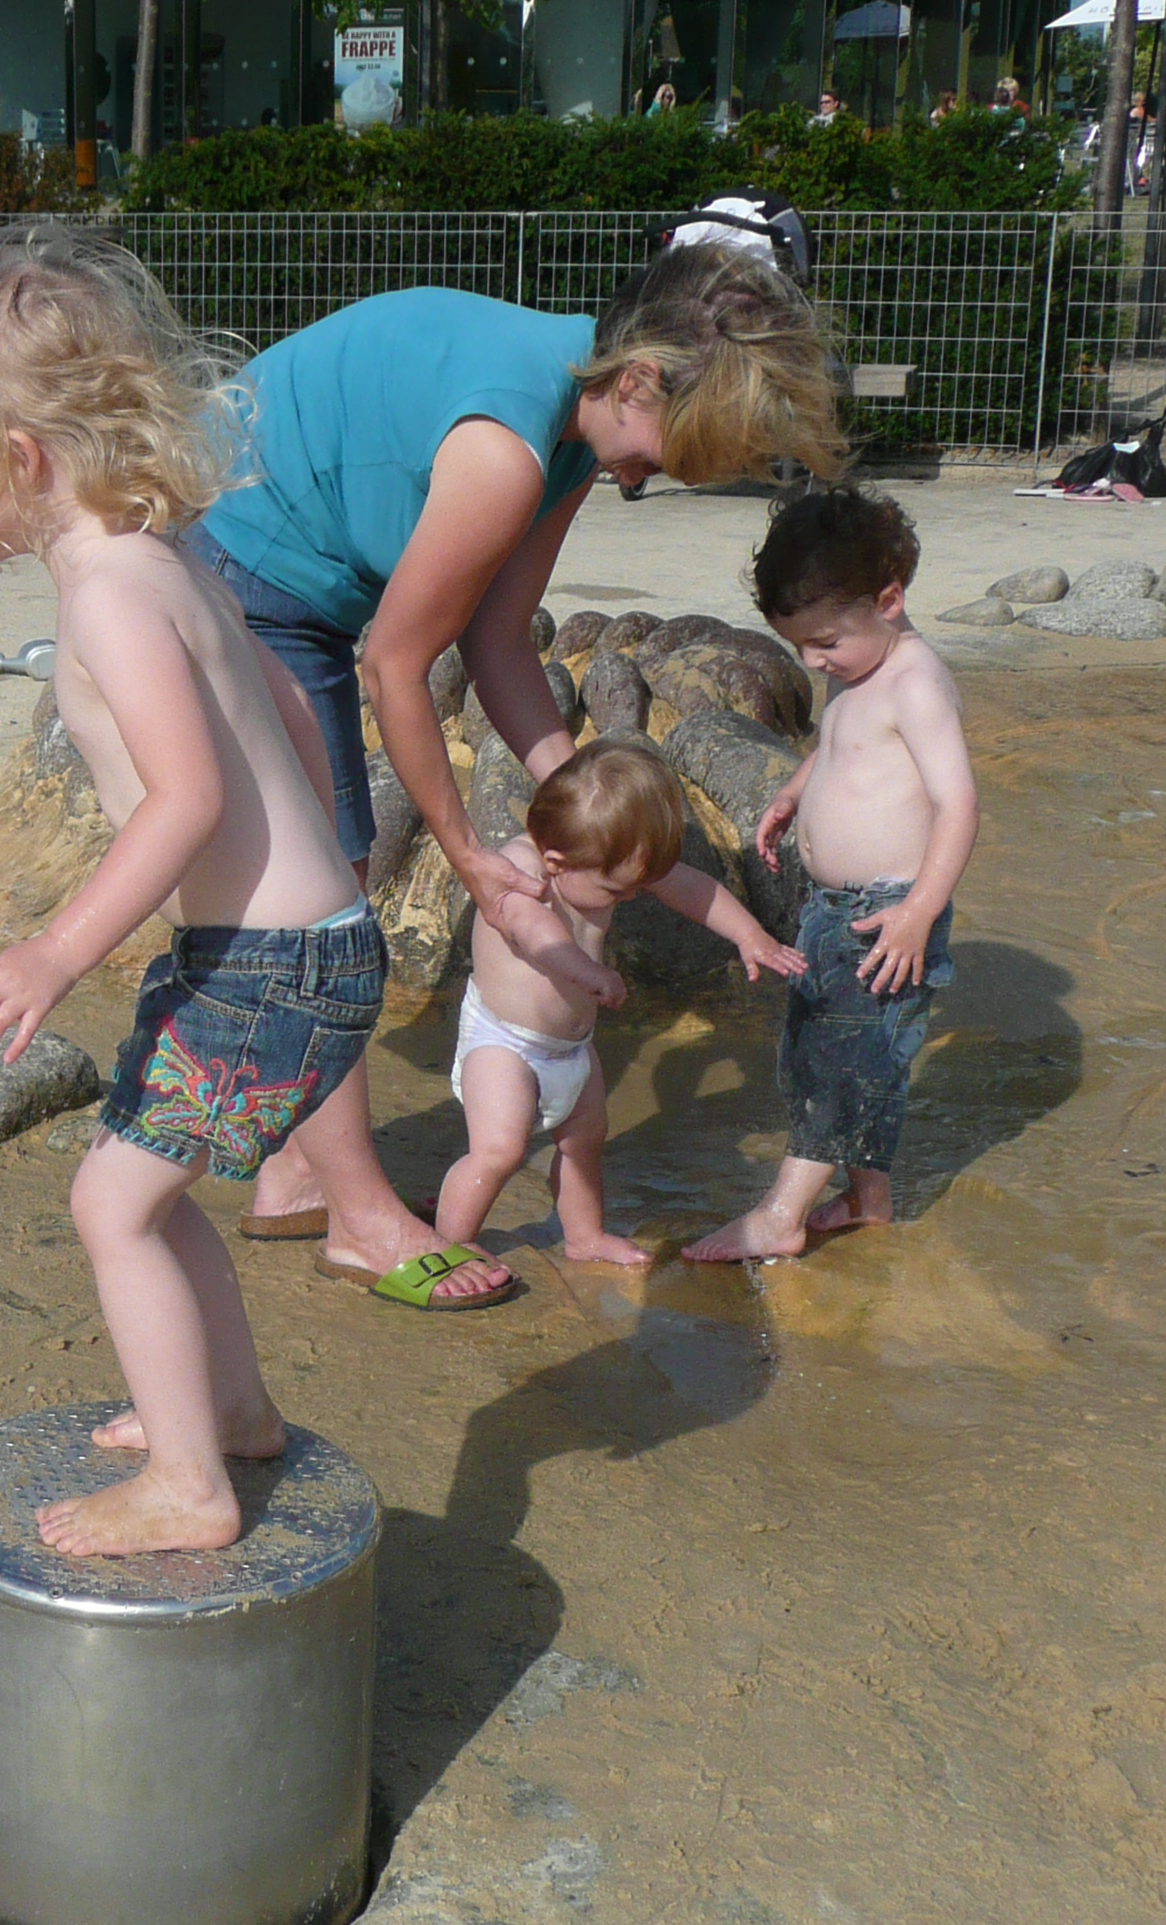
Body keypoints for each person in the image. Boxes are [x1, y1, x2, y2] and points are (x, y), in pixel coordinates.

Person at [183, 244, 846, 1311]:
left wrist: (584, 789)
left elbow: (495, 643)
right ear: (639, 380)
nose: (662, 478)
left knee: (329, 878)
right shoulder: (508, 451)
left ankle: (298, 1170)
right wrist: (467, 856)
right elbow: (397, 665)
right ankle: (352, 1216)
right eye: (674, 453)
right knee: (325, 890)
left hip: (297, 577)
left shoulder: (576, 426)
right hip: (244, 560)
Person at [0, 236, 388, 1557]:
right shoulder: (163, 557)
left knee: (110, 1205)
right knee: (144, 1192)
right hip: (280, 945)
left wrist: (54, 953)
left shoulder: (109, 597)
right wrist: (326, 860)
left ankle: (189, 1486)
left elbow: (187, 798)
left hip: (267, 962)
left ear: (19, 458)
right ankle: (233, 1413)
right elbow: (283, 704)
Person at [685, 484, 979, 1264]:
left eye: (823, 644)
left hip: (886, 915)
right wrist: (794, 792)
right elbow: (839, 744)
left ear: (889, 601)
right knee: (837, 1053)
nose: (813, 661)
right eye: (799, 649)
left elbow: (957, 805)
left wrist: (919, 912)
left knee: (841, 1064)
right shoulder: (857, 665)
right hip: (833, 908)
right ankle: (868, 1199)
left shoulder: (915, 680)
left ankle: (780, 1216)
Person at [438, 741, 806, 1270]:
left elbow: (691, 887)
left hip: (571, 1048)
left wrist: (750, 935)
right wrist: (588, 972)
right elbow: (534, 932)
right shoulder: (519, 872)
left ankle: (584, 1235)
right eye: (617, 891)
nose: (630, 899)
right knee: (499, 1150)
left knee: (585, 1142)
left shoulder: (600, 857)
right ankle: (453, 1241)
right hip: (504, 1043)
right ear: (556, 863)